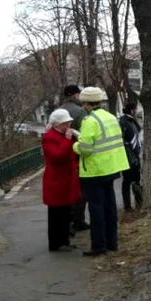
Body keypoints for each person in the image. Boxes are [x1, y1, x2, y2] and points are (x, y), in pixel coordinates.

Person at [73, 87, 130, 257]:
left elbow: (85, 149)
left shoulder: (89, 121)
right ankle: (112, 243)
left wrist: (74, 144)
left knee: (96, 209)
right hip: (111, 168)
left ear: (85, 103)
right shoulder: (111, 117)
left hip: (95, 171)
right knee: (110, 207)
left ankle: (98, 245)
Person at [42, 109, 81, 252]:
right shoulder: (49, 137)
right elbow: (57, 156)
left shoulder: (64, 134)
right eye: (66, 123)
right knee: (56, 214)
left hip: (66, 178)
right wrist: (67, 140)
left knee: (66, 212)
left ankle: (65, 240)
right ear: (58, 124)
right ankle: (56, 243)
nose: (69, 125)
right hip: (56, 180)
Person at [61, 85, 89, 234]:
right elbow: (85, 134)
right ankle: (77, 221)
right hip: (76, 154)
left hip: (61, 154)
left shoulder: (58, 111)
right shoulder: (80, 112)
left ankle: (67, 221)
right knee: (80, 190)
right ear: (76, 95)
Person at [119, 103, 142, 211]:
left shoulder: (128, 121)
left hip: (129, 155)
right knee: (130, 181)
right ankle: (130, 205)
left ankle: (133, 204)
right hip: (129, 156)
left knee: (130, 181)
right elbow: (133, 139)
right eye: (135, 109)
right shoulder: (126, 122)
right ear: (132, 110)